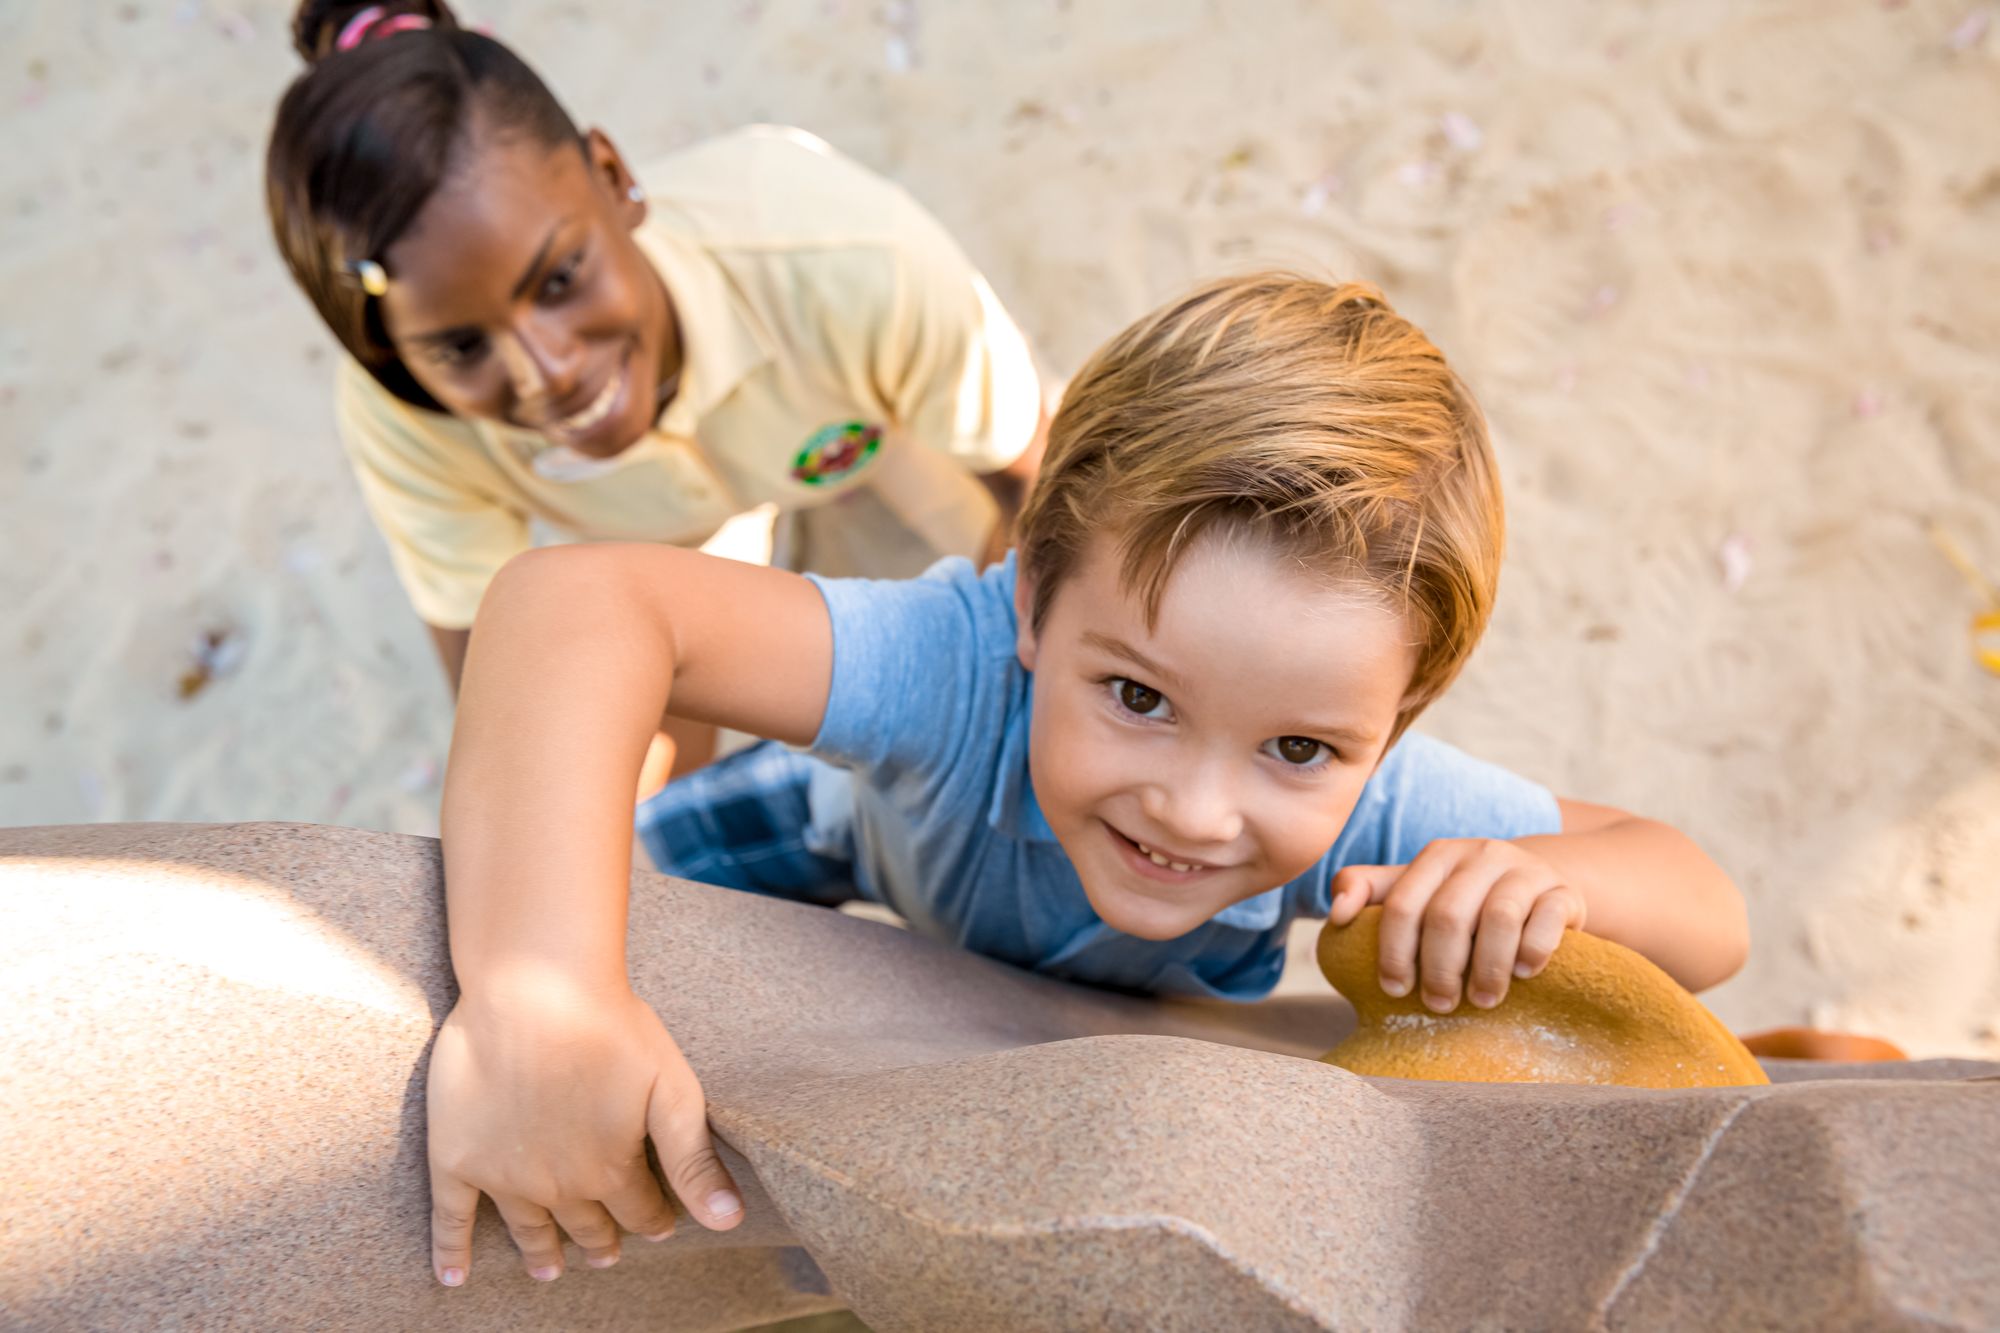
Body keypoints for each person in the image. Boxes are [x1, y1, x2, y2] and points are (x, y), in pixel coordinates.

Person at [425, 274, 1751, 1286]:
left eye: (1297, 748)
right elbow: (568, 603)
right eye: (1137, 696)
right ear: (1035, 597)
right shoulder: (950, 667)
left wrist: (1532, 881)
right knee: (581, 859)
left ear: (1397, 718)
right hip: (850, 830)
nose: (1194, 808)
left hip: (1040, 998)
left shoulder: (1386, 811)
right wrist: (542, 994)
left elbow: (1706, 910)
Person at [266, 2, 1045, 783]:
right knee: (610, 790)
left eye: (561, 278)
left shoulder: (849, 262)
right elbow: (500, 707)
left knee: (1030, 615)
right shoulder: (403, 417)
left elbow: (1030, 477)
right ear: (392, 360)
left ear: (615, 178)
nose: (552, 373)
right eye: (463, 346)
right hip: (667, 539)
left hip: (870, 417)